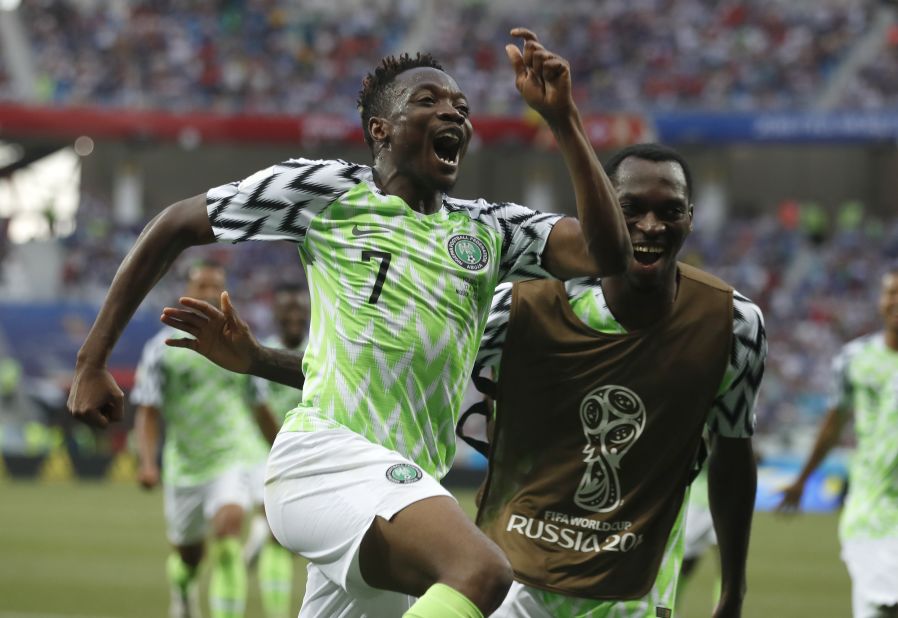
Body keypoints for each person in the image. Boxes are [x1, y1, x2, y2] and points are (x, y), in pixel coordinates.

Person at [68, 29, 631, 618]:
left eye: (461, 109)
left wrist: (563, 120)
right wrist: (91, 361)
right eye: (429, 102)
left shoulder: (489, 229)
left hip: (402, 488)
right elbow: (176, 222)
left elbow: (607, 256)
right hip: (324, 459)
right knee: (481, 572)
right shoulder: (328, 192)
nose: (453, 114)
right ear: (380, 130)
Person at [163, 144, 766, 618]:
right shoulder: (520, 307)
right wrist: (261, 360)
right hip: (518, 571)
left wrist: (733, 588)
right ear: (602, 212)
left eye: (669, 210)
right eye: (630, 208)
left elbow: (734, 455)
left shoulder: (732, 325)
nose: (650, 225)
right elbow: (402, 363)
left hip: (631, 586)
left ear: (692, 218)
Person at [131, 260, 280, 618]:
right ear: (187, 293)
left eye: (218, 286)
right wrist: (148, 463)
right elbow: (148, 412)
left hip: (234, 456)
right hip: (185, 466)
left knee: (229, 535)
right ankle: (182, 588)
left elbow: (260, 408)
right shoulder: (161, 349)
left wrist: (283, 450)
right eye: (203, 286)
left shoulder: (241, 347)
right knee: (189, 557)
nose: (211, 293)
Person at [777, 268, 898, 618]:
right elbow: (832, 426)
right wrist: (802, 480)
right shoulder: (854, 359)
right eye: (891, 293)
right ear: (879, 301)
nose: (896, 301)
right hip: (871, 507)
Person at [242, 284, 311, 618]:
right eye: (288, 310)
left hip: (313, 451)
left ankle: (259, 528)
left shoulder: (322, 349)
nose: (295, 316)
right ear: (277, 315)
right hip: (268, 451)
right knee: (280, 535)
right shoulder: (261, 352)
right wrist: (285, 449)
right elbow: (259, 407)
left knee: (288, 537)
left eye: (300, 310)